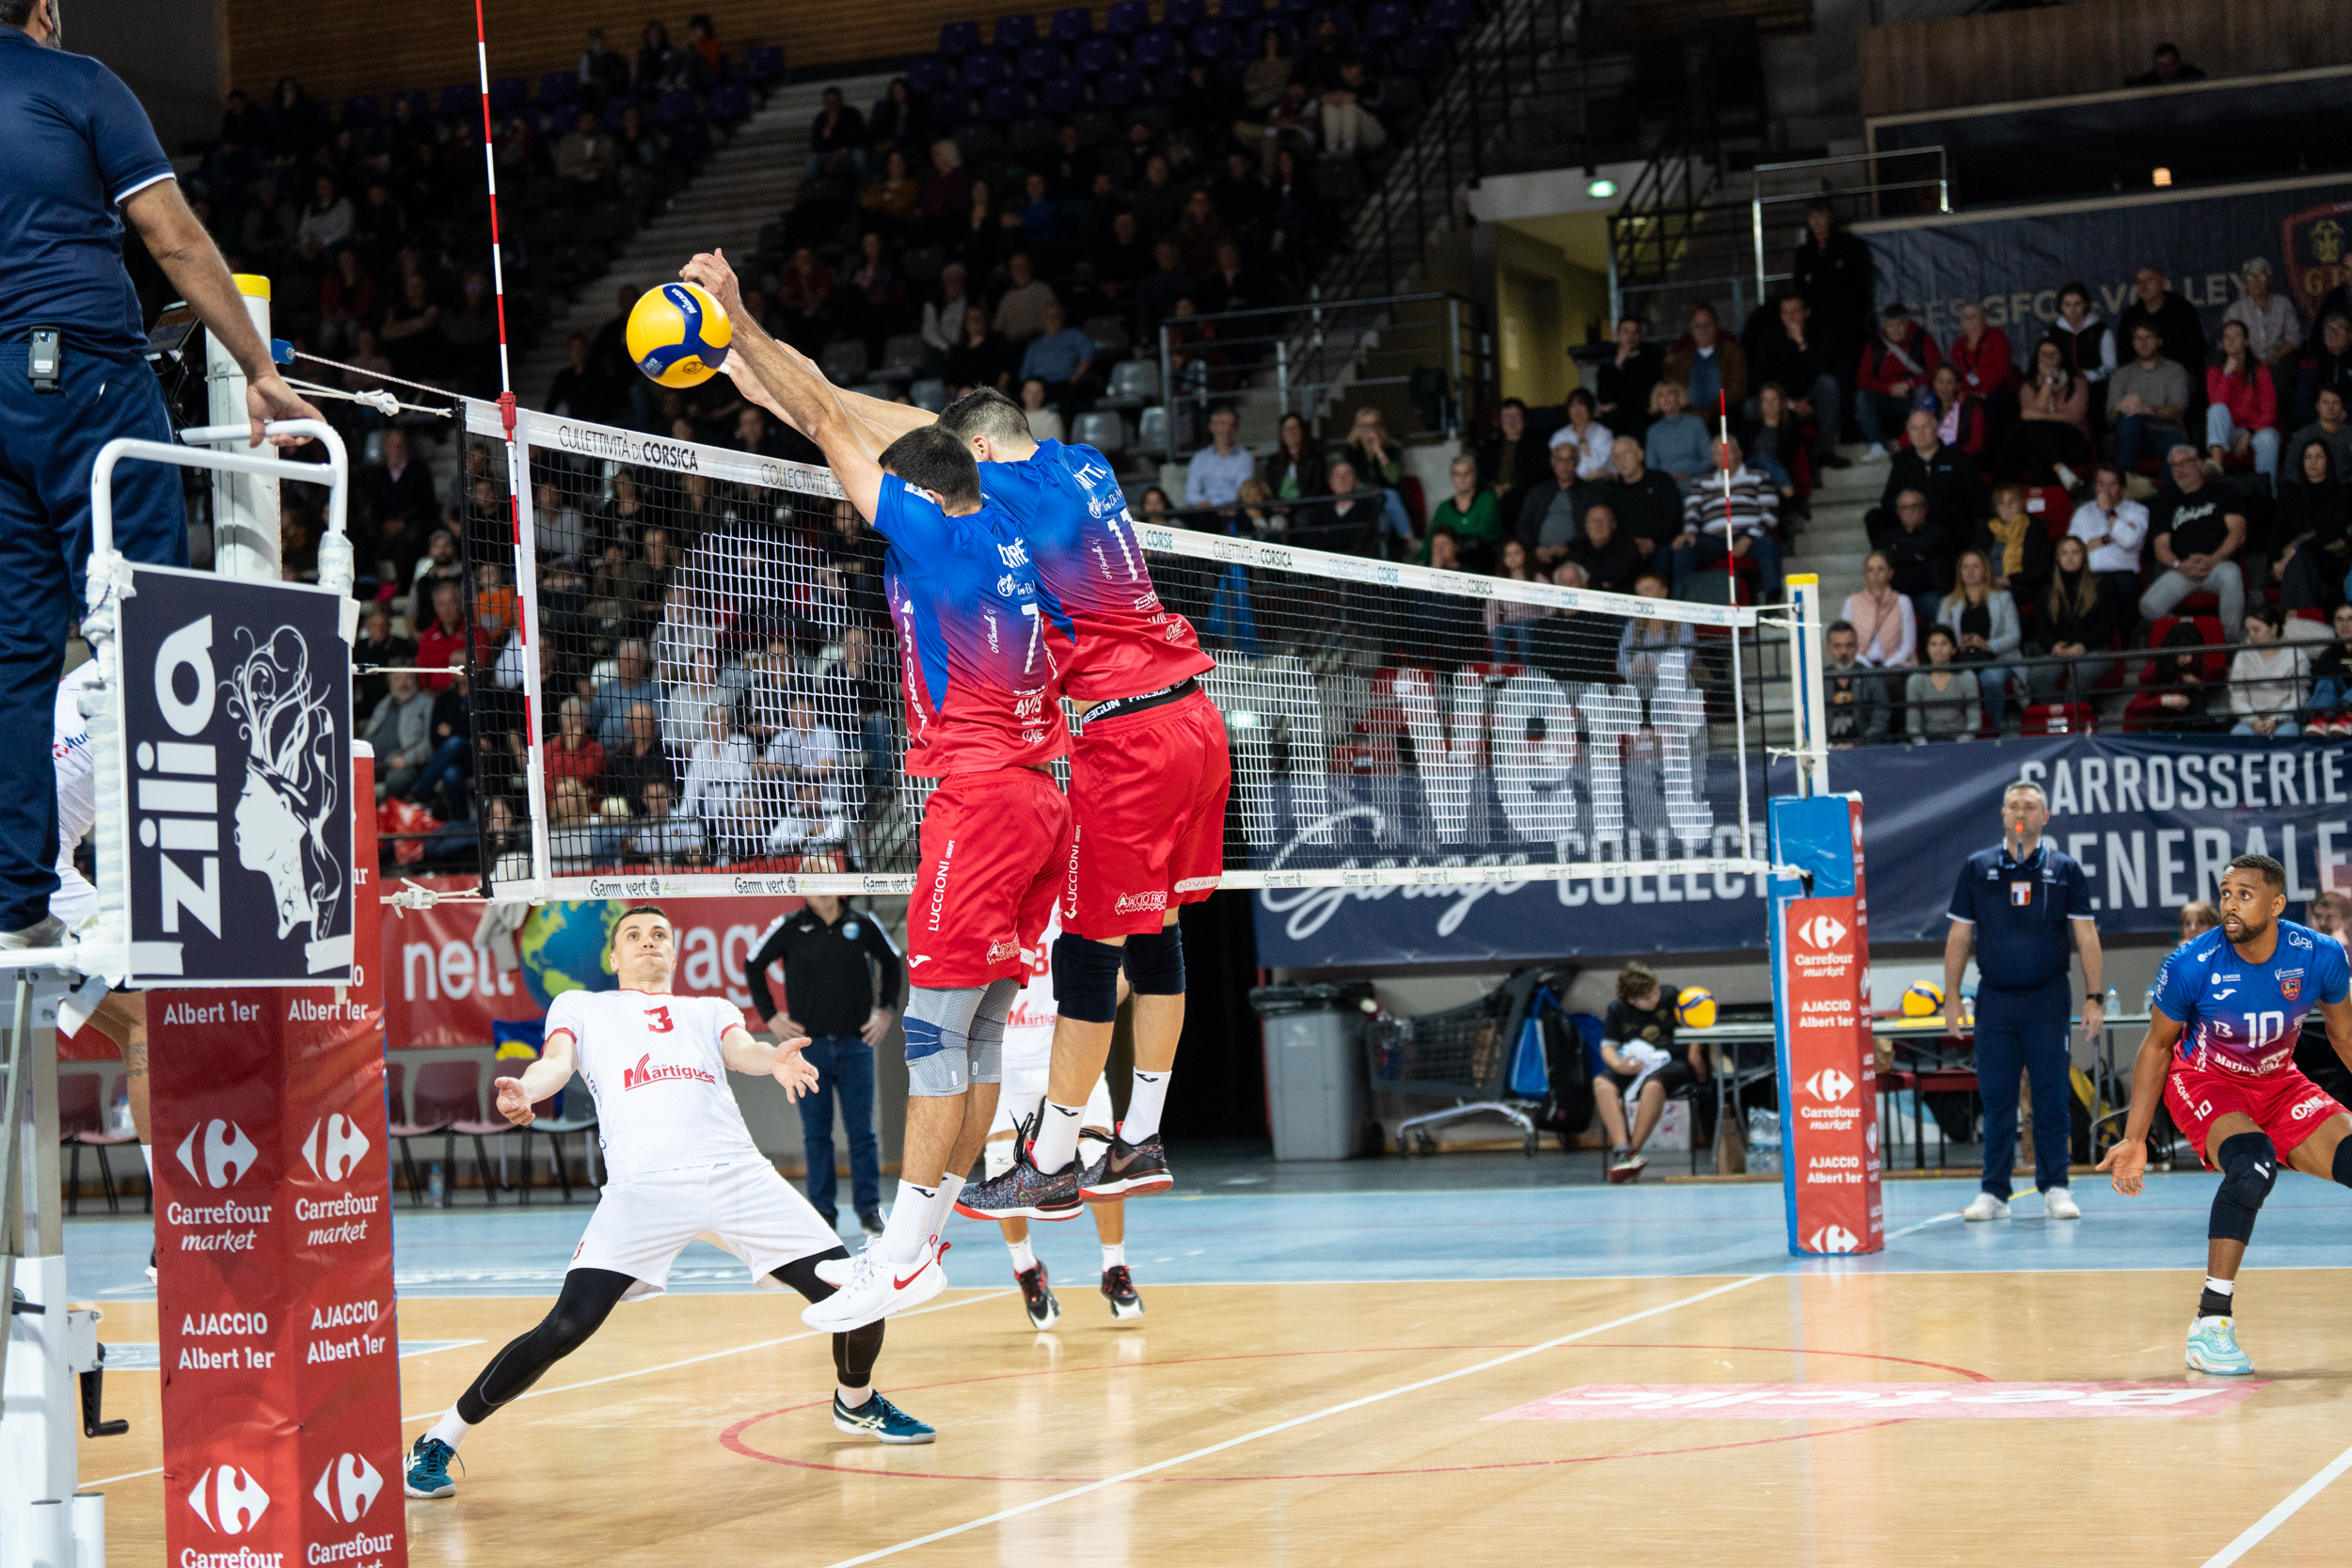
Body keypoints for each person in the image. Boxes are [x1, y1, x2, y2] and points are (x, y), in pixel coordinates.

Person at [698, 290, 1080, 1332]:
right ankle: (934, 1235)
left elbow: (833, 425)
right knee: (987, 1033)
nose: (876, 487)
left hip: (984, 798)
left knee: (930, 1032)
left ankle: (901, 1256)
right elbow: (846, 414)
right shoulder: (1008, 526)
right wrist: (756, 358)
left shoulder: (935, 535)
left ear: (922, 488)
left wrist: (734, 317)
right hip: (1044, 804)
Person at [402, 907, 934, 1502]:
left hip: (736, 1175)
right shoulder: (582, 1006)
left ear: (675, 954)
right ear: (614, 957)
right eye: (633, 936)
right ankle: (439, 1438)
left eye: (659, 935)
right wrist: (526, 1088)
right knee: (568, 1323)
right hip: (643, 1189)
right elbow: (555, 1063)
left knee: (858, 1296)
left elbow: (744, 1051)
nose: (648, 943)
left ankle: (855, 1402)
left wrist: (773, 1059)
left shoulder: (706, 1010)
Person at [0, 0, 321, 946]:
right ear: (46, 11)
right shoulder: (81, 83)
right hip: (84, 382)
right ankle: (169, 890)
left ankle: (19, 899)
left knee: (16, 652)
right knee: (154, 624)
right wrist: (259, 371)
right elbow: (173, 238)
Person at [2097, 855, 2352, 1375]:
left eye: (2245, 895)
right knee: (2253, 1165)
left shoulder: (2320, 956)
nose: (2230, 906)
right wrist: (2135, 1139)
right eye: (2226, 893)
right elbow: (2156, 1047)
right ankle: (2211, 1325)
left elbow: (2345, 1037)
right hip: (2206, 1082)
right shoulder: (2192, 963)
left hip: (2280, 1082)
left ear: (2277, 904)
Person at [1944, 780, 2103, 1223]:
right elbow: (1959, 935)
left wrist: (2094, 997)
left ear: (2044, 817)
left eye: (2030, 806)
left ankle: (2055, 1187)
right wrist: (1953, 996)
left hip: (2048, 1000)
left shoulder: (2065, 869)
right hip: (1994, 1000)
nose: (2021, 811)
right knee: (1997, 1098)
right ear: (2002, 814)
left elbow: (2086, 935)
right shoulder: (1977, 868)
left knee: (2050, 1098)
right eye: (2013, 804)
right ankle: (1994, 1192)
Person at [984, 922, 1145, 1328]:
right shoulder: (995, 899)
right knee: (1002, 1167)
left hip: (1071, 1053)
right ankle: (1026, 1270)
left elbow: (1123, 978)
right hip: (1009, 1063)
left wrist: (1089, 1001)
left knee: (1101, 1162)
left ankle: (1115, 1269)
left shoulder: (1076, 898)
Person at [746, 895, 904, 1239]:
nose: (821, 883)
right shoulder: (790, 925)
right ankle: (823, 1216)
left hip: (855, 1044)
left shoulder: (862, 924)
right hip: (809, 1047)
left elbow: (893, 962)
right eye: (812, 874)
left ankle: (870, 1213)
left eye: (827, 872)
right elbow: (753, 963)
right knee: (816, 1135)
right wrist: (771, 1017)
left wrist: (885, 1011)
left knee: (862, 1134)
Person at [1593, 962, 1705, 1183]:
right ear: (1630, 1000)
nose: (1654, 999)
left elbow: (1697, 1024)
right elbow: (1608, 1047)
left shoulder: (1671, 995)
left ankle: (1630, 1153)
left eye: (1655, 992)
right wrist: (1618, 1065)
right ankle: (1621, 1147)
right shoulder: (1617, 1010)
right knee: (1602, 1084)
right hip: (1638, 1062)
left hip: (1672, 1062)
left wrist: (1695, 1056)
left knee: (1653, 1086)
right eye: (1646, 998)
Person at [2139, 443, 2248, 639]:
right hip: (2183, 570)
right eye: (2174, 466)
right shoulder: (2166, 500)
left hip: (2217, 566)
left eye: (2185, 463)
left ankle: (2229, 642)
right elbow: (2160, 547)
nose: (2179, 471)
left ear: (2199, 463)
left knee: (2232, 575)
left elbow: (2238, 533)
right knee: (2148, 605)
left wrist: (2213, 560)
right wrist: (2179, 565)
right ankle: (2188, 637)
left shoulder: (2222, 491)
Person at [1670, 433, 1778, 599]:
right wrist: (1690, 532)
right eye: (1719, 453)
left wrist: (1748, 538)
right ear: (1712, 458)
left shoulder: (1759, 477)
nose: (1724, 457)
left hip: (1748, 537)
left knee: (1768, 544)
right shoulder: (1701, 482)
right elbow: (1692, 513)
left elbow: (1769, 515)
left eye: (1729, 451)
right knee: (1684, 548)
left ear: (1739, 454)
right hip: (1712, 539)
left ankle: (1772, 603)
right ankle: (1682, 604)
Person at [1751, 293, 1845, 472]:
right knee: (1751, 405)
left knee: (1829, 383)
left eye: (1795, 312)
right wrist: (1791, 404)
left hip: (1811, 399)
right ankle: (1760, 455)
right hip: (1782, 402)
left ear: (1806, 313)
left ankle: (1826, 451)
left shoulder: (1818, 335)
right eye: (1786, 313)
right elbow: (1760, 380)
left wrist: (1802, 343)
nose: (1791, 317)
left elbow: (1823, 370)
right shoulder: (1770, 339)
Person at [2027, 535, 2123, 705]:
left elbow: (2107, 625)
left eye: (2075, 552)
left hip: (2094, 650)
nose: (2069, 557)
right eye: (2064, 553)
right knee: (2037, 674)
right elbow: (2042, 629)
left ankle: (2072, 721)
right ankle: (2057, 719)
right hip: (2060, 651)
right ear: (2058, 558)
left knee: (2082, 671)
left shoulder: (2103, 585)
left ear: (2084, 556)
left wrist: (2083, 645)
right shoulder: (2046, 591)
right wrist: (2054, 645)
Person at [1937, 548, 2023, 733]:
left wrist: (1987, 645)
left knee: (1992, 678)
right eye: (1965, 567)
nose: (1970, 571)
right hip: (1963, 660)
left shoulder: (2003, 598)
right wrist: (1958, 645)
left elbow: (2014, 635)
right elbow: (1940, 637)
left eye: (1975, 566)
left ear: (1986, 570)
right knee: (1956, 680)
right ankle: (1959, 732)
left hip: (1997, 659)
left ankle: (1993, 730)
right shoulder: (1948, 603)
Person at [2003, 338, 2094, 483]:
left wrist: (2039, 416)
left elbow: (2074, 418)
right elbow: (2029, 416)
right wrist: (2047, 382)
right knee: (2036, 440)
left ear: (2062, 357)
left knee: (2033, 434)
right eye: (2044, 354)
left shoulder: (2077, 380)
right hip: (2042, 441)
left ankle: (2042, 500)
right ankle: (2062, 475)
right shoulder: (2029, 384)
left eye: (2053, 354)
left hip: (2072, 440)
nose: (2048, 358)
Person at [1856, 304, 1941, 460]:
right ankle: (1877, 446)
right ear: (1885, 325)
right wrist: (1889, 389)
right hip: (1887, 398)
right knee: (1863, 397)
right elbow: (1863, 380)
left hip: (1913, 397)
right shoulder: (1876, 344)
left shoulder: (1921, 339)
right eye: (1890, 325)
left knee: (1923, 390)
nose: (1895, 330)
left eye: (1900, 324)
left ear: (1907, 323)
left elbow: (1937, 371)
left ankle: (1916, 443)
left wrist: (1910, 384)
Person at [2068, 463, 2151, 622]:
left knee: (2121, 590)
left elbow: (2128, 541)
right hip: (2090, 575)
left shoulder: (2138, 511)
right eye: (2101, 484)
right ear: (2094, 486)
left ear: (2123, 487)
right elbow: (2074, 549)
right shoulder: (2083, 512)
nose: (2106, 490)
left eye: (2112, 484)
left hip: (2122, 575)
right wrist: (2111, 537)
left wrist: (2109, 512)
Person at [2277, 436, 2350, 612]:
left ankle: (2298, 621)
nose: (2313, 462)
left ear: (2328, 461)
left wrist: (2296, 550)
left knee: (2299, 563)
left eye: (2319, 456)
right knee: (2300, 568)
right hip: (2295, 558)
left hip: (2330, 556)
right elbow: (2277, 531)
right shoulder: (2290, 493)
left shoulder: (2343, 493)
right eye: (2308, 457)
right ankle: (2307, 620)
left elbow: (2331, 532)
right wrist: (2275, 561)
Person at [2205, 320, 2280, 484]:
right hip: (2227, 432)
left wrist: (2249, 431)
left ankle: (2267, 491)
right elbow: (2217, 406)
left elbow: (2269, 411)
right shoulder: (2215, 372)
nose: (2231, 341)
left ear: (2246, 341)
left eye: (2237, 336)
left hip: (2254, 430)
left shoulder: (2260, 370)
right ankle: (2217, 472)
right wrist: (2227, 374)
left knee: (2269, 439)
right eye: (2227, 337)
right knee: (2216, 410)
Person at [1598, 434, 1687, 563]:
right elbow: (1613, 528)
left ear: (1640, 454)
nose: (1621, 460)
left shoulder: (1661, 481)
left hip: (1662, 544)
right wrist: (1631, 544)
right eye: (1616, 457)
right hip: (1626, 549)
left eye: (1625, 454)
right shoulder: (1612, 492)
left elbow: (1674, 518)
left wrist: (1654, 541)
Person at [2228, 605, 2305, 738]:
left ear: (2274, 628)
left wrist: (2276, 719)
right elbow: (2237, 697)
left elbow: (2299, 697)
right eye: (2248, 631)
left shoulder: (2297, 656)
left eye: (2256, 630)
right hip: (2250, 722)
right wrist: (2254, 720)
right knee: (2238, 734)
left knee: (2287, 735)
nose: (2251, 636)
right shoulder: (2242, 656)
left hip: (2285, 721)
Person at [1662, 304, 1747, 415]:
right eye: (1697, 325)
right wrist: (1691, 411)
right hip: (1689, 415)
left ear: (1716, 326)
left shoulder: (1732, 353)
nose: (1702, 329)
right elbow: (1675, 388)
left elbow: (1737, 387)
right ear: (1691, 329)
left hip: (1724, 411)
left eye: (1707, 324)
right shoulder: (1680, 359)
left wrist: (1713, 409)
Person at [1516, 439, 1588, 569]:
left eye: (1569, 460)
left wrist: (1568, 547)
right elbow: (1522, 525)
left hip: (1575, 557)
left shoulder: (1589, 492)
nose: (1564, 465)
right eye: (1560, 460)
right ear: (1553, 463)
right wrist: (1535, 549)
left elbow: (1592, 528)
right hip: (1538, 556)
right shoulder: (1538, 491)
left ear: (1577, 462)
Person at [1424, 452, 1502, 569]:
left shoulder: (1487, 499)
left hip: (1483, 562)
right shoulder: (1444, 507)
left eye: (1466, 474)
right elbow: (1433, 538)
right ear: (1452, 477)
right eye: (1457, 474)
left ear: (1475, 476)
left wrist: (1452, 545)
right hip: (1448, 563)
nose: (1462, 479)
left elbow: (1484, 534)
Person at [1842, 552, 1915, 670]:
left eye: (1881, 569)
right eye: (1870, 570)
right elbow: (1845, 641)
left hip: (1895, 666)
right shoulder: (1851, 602)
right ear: (1865, 574)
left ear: (1890, 573)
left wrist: (1887, 666)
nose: (1875, 574)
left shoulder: (1902, 601)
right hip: (1860, 665)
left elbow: (1908, 646)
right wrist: (1865, 666)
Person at [1906, 626, 1979, 741]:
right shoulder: (1916, 680)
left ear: (1954, 649)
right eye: (1933, 644)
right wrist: (1922, 744)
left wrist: (1964, 740)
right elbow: (1913, 727)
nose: (1938, 649)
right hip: (1928, 744)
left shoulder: (1967, 677)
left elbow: (1974, 722)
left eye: (1944, 644)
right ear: (1927, 649)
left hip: (1960, 742)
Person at [1822, 620, 1888, 746]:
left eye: (1849, 645)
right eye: (1837, 646)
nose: (1843, 652)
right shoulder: (1819, 680)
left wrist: (1859, 744)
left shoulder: (1872, 677)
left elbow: (1881, 717)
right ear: (1828, 649)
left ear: (1857, 647)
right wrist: (1828, 746)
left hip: (1863, 750)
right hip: (1828, 751)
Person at [1594, 315, 1661, 438]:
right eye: (1626, 331)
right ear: (1617, 335)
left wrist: (1616, 405)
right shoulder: (1607, 368)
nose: (1631, 336)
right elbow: (1604, 397)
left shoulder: (1650, 363)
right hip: (1616, 429)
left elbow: (1646, 398)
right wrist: (1618, 364)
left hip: (1643, 426)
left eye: (1635, 332)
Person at [1475, 398, 1548, 504]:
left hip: (1525, 498)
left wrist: (1511, 485)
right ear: (1501, 420)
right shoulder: (1490, 445)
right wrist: (1494, 487)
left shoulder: (1537, 444)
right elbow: (1480, 472)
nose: (1511, 421)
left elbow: (1539, 473)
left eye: (1516, 416)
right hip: (1493, 497)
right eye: (1507, 416)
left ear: (1524, 419)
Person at [1643, 380, 1711, 493]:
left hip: (1695, 480)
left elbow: (1708, 459)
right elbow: (1652, 467)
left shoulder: (1696, 424)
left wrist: (1688, 474)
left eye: (1670, 393)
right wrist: (1669, 478)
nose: (1665, 398)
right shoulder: (1653, 431)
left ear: (1678, 396)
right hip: (1665, 484)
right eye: (1660, 395)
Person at [1185, 404, 1255, 509]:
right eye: (1222, 424)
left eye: (1231, 425)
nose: (1227, 430)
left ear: (1237, 430)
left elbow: (1243, 493)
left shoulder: (1245, 458)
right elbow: (1190, 494)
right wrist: (1207, 504)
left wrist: (1213, 503)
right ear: (1211, 427)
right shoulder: (1199, 458)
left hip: (1233, 510)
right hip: (1204, 511)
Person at [1547, 388, 1613, 481]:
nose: (1577, 410)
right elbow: (1557, 468)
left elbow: (1596, 468)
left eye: (1581, 404)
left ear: (1589, 408)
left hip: (1598, 485)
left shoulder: (1603, 434)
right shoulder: (1559, 436)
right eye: (1572, 405)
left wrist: (1582, 440)